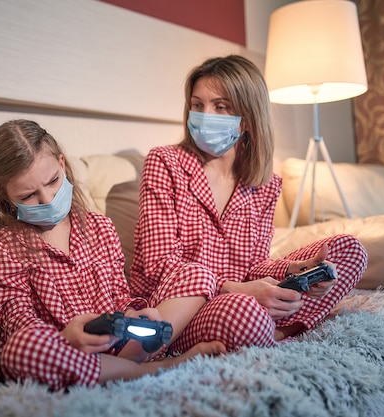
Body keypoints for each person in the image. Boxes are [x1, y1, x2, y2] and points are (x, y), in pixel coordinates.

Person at [129, 55, 368, 355]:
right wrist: (238, 290)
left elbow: (254, 266)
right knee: (244, 311)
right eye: (197, 105)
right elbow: (160, 266)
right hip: (181, 304)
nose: (205, 115)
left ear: (248, 118)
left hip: (243, 295)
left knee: (349, 250)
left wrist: (293, 270)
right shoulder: (164, 162)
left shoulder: (266, 184)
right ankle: (263, 330)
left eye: (220, 106)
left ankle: (277, 331)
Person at [0, 119, 225, 391]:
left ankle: (121, 369)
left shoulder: (100, 227)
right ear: (4, 196)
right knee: (20, 349)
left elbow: (119, 296)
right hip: (67, 354)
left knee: (196, 273)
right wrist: (67, 338)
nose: (47, 199)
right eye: (29, 195)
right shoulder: (2, 248)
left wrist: (135, 314)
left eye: (53, 181)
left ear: (62, 164)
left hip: (119, 345)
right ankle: (149, 370)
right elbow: (18, 321)